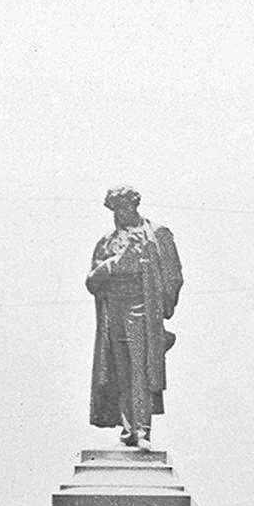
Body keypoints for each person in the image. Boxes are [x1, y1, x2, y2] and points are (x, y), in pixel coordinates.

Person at [87, 186, 183, 449]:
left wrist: (163, 307)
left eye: (125, 208)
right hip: (114, 311)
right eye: (116, 210)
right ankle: (129, 428)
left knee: (140, 368)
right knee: (121, 371)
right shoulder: (106, 242)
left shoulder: (157, 234)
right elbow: (91, 281)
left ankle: (142, 430)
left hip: (143, 308)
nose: (120, 214)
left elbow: (173, 274)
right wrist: (114, 265)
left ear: (134, 207)